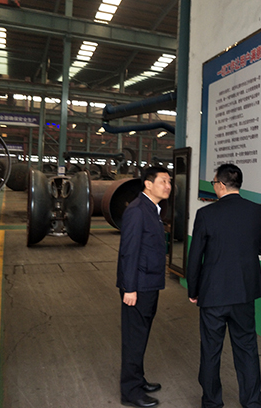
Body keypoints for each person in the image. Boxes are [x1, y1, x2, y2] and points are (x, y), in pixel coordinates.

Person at [187, 163, 261, 408]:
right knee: (246, 347)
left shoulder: (206, 214)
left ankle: (212, 402)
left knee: (211, 350)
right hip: (244, 293)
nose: (214, 186)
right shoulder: (255, 210)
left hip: (213, 294)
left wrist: (193, 290)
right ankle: (252, 401)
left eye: (214, 182)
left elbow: (195, 257)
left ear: (221, 185)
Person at [116, 166, 171, 408]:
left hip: (148, 284)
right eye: (163, 181)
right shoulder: (138, 211)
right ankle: (130, 391)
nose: (168, 186)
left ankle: (138, 380)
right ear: (148, 184)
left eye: (169, 182)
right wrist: (129, 288)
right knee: (134, 339)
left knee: (141, 335)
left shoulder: (152, 209)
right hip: (137, 286)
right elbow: (129, 252)